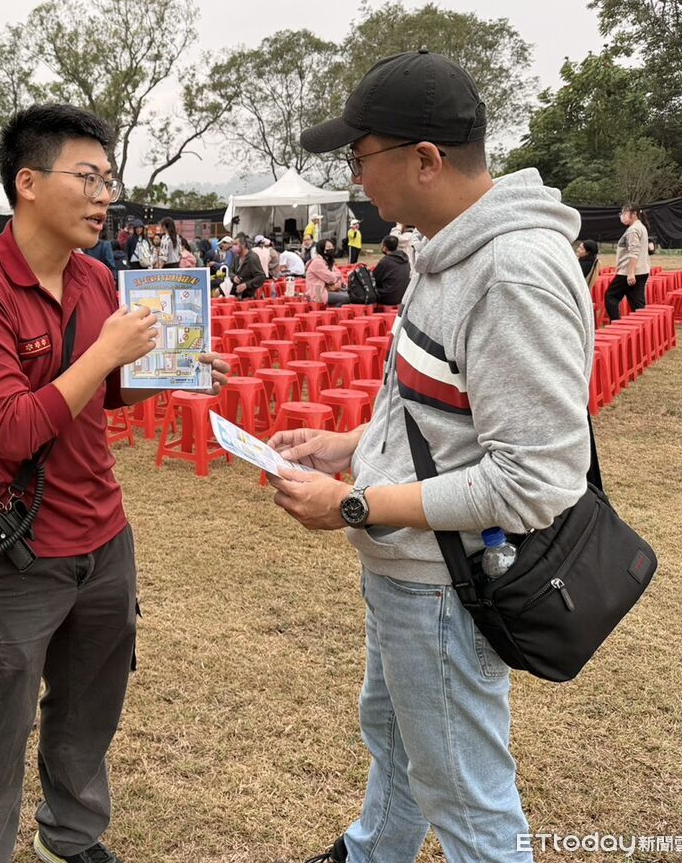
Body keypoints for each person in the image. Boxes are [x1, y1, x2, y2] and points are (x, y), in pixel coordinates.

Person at [281, 49, 592, 863]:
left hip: (448, 581)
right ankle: (373, 847)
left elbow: (535, 479)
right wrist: (349, 444)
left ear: (423, 160)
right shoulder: (444, 249)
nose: (357, 178)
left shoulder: (511, 270)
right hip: (411, 570)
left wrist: (355, 504)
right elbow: (429, 399)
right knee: (395, 733)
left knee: (467, 796)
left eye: (361, 157)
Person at [0, 103, 226, 863]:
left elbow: (105, 394)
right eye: (88, 177)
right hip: (18, 551)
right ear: (28, 182)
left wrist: (166, 373)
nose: (105, 195)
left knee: (90, 706)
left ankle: (69, 834)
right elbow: (9, 430)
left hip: (104, 534)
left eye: (109, 179)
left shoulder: (97, 278)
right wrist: (104, 355)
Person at [604, 204, 650, 321]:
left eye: (624, 213)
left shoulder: (633, 230)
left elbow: (633, 252)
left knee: (611, 296)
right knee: (637, 304)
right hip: (642, 270)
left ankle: (616, 323)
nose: (622, 216)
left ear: (634, 214)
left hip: (629, 272)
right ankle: (642, 328)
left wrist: (630, 273)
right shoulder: (641, 227)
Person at [306, 239, 349, 306]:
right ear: (322, 249)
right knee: (346, 298)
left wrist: (336, 277)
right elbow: (331, 279)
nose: (331, 249)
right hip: (319, 293)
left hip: (330, 290)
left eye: (332, 247)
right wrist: (336, 276)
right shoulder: (317, 263)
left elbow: (339, 276)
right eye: (328, 247)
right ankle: (335, 312)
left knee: (352, 295)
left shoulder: (328, 262)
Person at [371, 234, 412, 306]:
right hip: (403, 296)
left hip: (388, 297)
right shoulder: (405, 260)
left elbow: (374, 279)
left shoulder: (385, 261)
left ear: (384, 247)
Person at [228, 234, 266, 299]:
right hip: (238, 295)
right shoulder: (237, 258)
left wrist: (246, 285)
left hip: (250, 296)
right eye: (233, 244)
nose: (233, 247)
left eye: (236, 244)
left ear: (243, 245)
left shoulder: (252, 258)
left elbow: (261, 277)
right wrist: (233, 277)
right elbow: (230, 271)